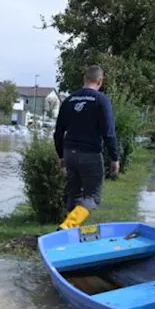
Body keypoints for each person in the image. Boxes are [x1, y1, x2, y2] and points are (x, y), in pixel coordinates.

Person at [53, 65, 119, 230]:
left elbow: (58, 131)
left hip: (69, 152)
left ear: (84, 79)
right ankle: (68, 226)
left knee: (74, 194)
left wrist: (61, 156)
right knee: (93, 197)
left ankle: (68, 234)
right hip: (89, 153)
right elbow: (109, 133)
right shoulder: (101, 100)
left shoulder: (69, 100)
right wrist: (115, 158)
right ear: (100, 81)